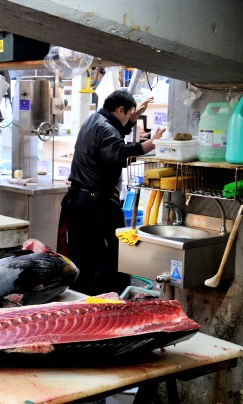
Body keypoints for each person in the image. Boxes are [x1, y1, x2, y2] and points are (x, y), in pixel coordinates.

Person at [57, 90, 165, 296]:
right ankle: (108, 302)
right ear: (119, 109)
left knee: (83, 254)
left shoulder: (95, 119)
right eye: (128, 113)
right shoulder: (105, 128)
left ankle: (80, 299)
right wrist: (151, 144)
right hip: (95, 204)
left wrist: (131, 120)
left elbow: (112, 137)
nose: (129, 118)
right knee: (110, 253)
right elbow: (117, 153)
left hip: (79, 200)